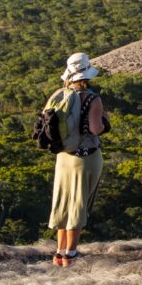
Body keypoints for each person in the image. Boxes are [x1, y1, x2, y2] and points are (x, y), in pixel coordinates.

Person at [48, 52, 108, 266]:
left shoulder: (59, 94)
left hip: (64, 157)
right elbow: (95, 129)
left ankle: (59, 252)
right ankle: (71, 255)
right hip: (86, 158)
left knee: (63, 203)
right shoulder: (92, 98)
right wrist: (103, 122)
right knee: (78, 205)